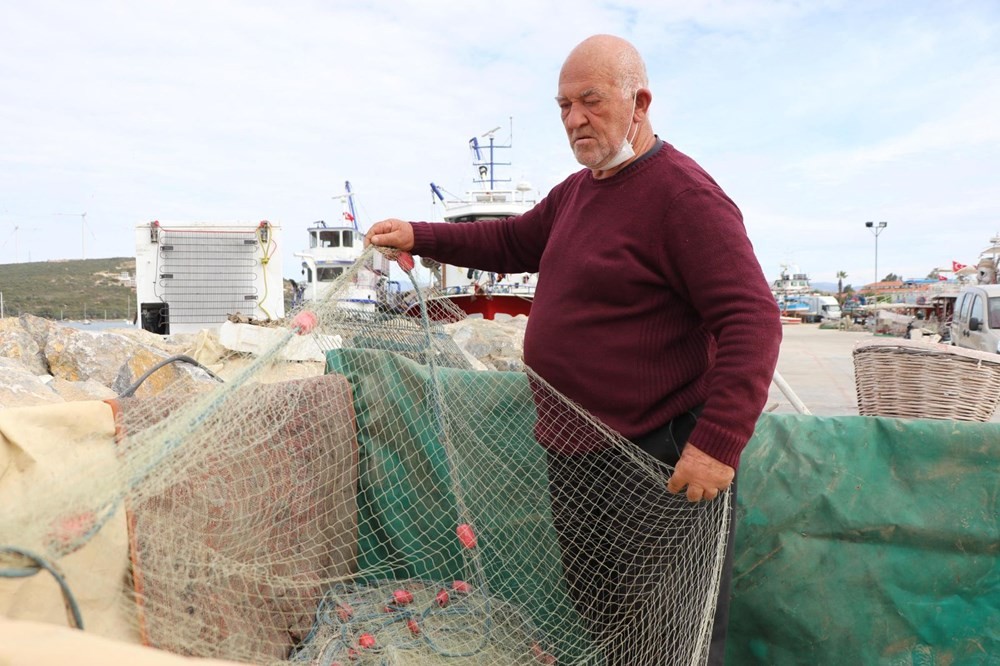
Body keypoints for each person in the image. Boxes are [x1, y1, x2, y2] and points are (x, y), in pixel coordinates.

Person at [366, 34, 781, 664]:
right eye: (562, 106)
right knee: (606, 617)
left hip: (657, 459)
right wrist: (420, 235)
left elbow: (752, 317)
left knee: (668, 632)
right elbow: (509, 242)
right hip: (578, 454)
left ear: (638, 102)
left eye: (589, 101)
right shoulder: (578, 191)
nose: (573, 120)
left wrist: (717, 444)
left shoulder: (684, 195)